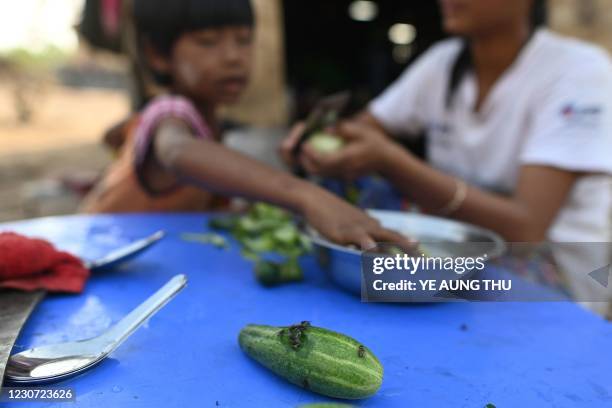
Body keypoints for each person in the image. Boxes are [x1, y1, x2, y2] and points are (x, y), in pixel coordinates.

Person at [281, 0, 612, 314]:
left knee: (375, 187)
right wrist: (318, 142)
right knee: (344, 186)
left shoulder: (579, 72)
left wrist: (391, 161)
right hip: (456, 250)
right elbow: (360, 132)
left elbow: (526, 229)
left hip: (547, 272)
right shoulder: (444, 62)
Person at [80, 0, 411, 250]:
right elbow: (179, 152)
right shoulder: (171, 112)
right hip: (103, 255)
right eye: (208, 41)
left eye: (244, 40)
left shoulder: (209, 122)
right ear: (157, 54)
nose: (233, 57)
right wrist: (306, 196)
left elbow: (117, 133)